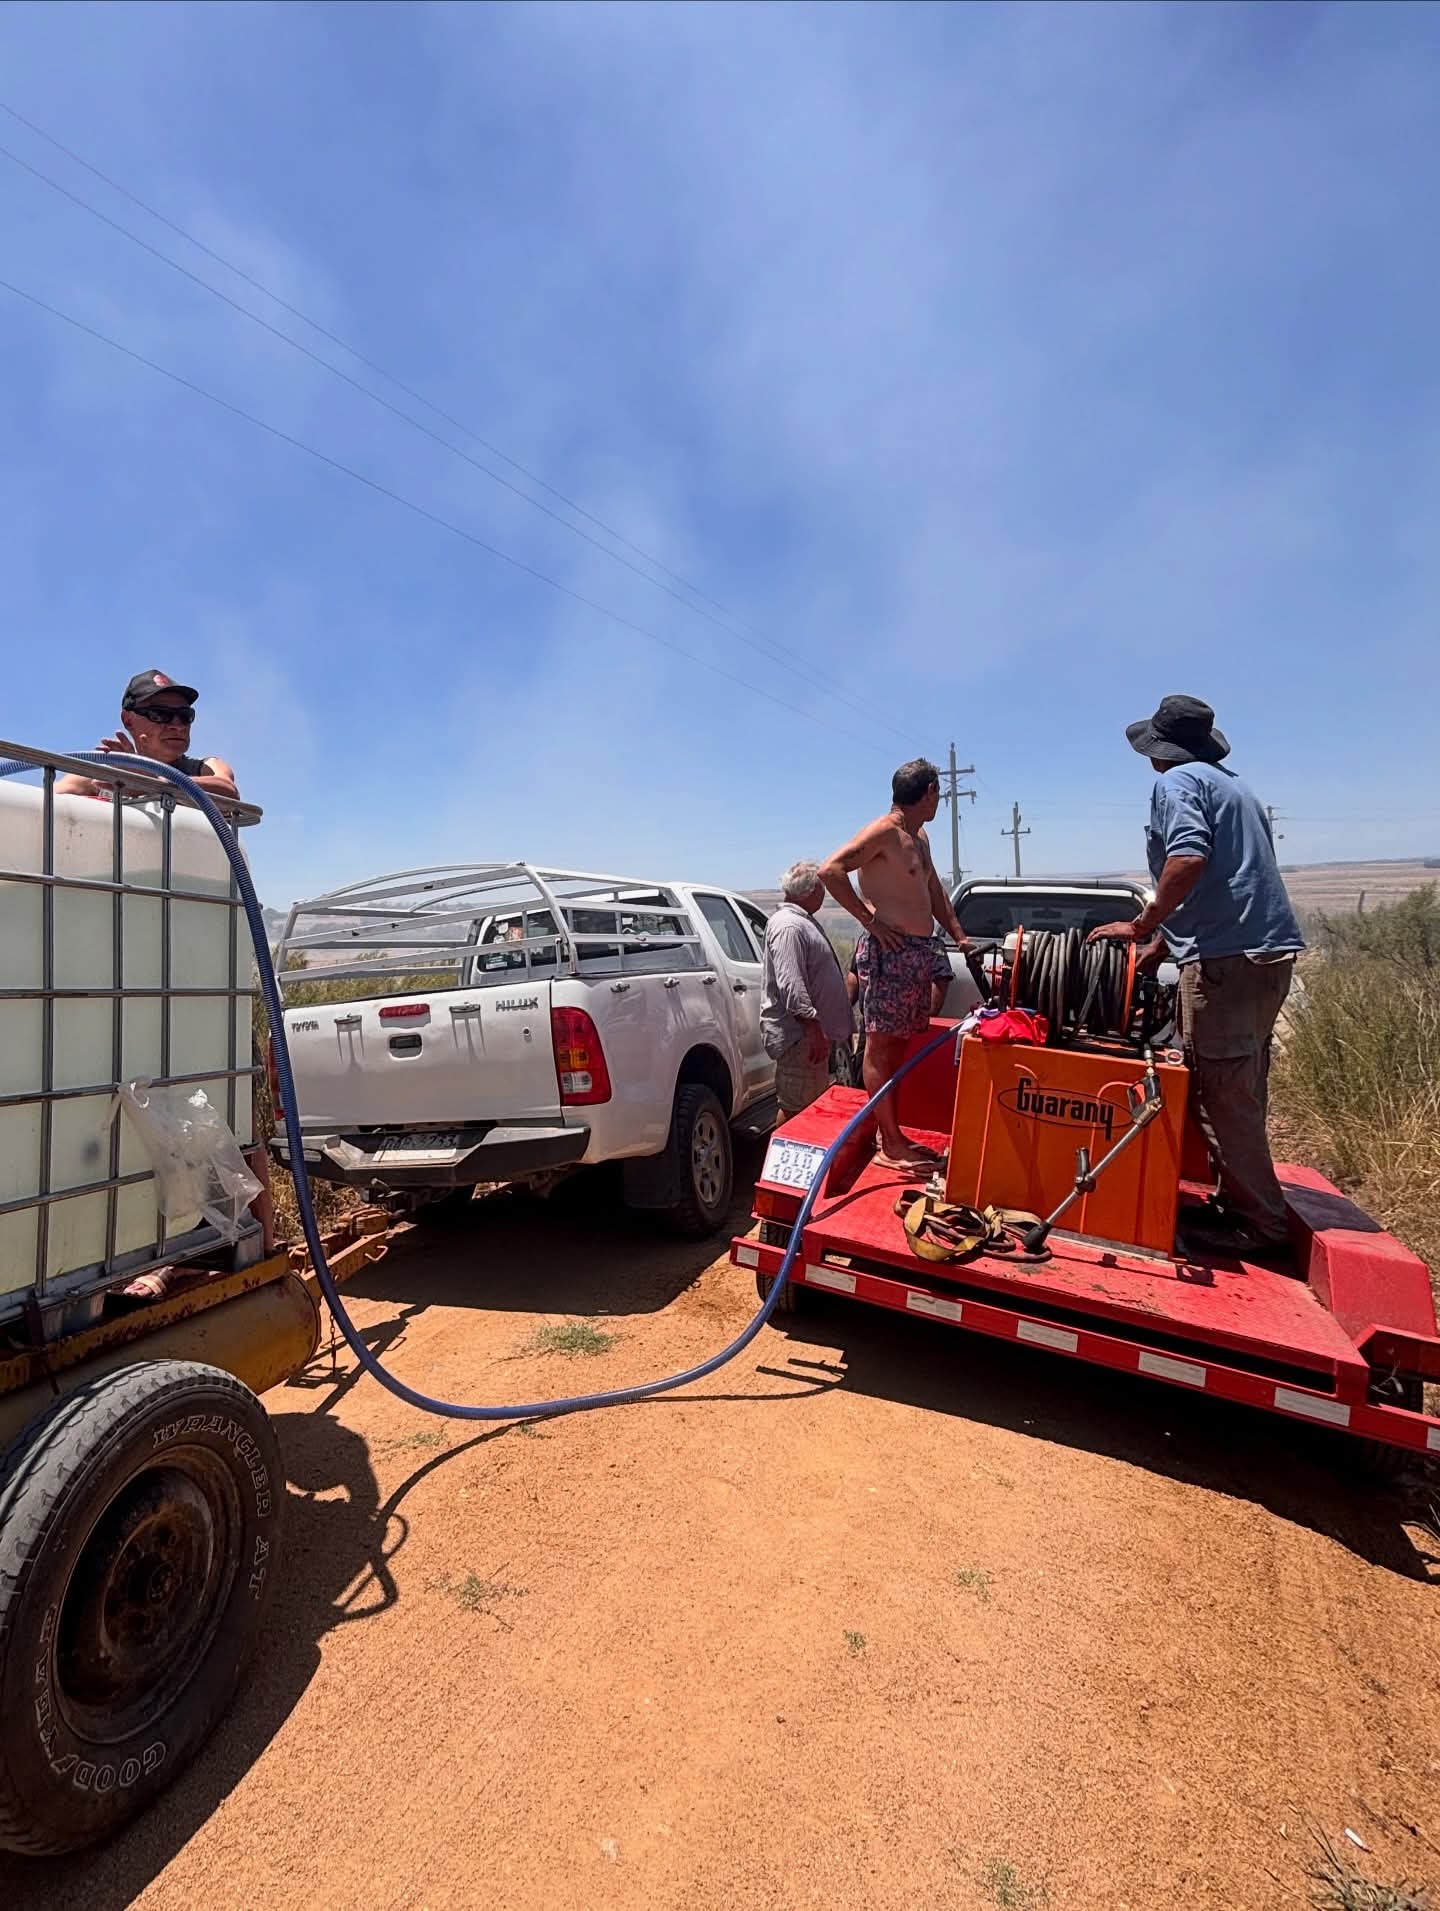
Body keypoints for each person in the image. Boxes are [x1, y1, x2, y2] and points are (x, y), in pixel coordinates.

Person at [1088, 696, 1304, 1261]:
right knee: (1241, 1087)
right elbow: (1224, 883)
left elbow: (1187, 861)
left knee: (1218, 1094)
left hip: (1227, 962)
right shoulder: (1233, 787)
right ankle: (1240, 1202)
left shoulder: (1176, 783)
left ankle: (1260, 1226)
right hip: (1263, 953)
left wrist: (1141, 924)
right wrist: (1161, 946)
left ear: (1159, 751)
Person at [820, 758, 972, 1173]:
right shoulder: (884, 831)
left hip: (917, 953)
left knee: (900, 1046)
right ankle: (890, 1143)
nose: (939, 801)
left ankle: (893, 1136)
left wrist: (959, 936)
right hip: (889, 954)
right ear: (929, 792)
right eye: (938, 793)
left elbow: (935, 891)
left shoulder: (918, 837)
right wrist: (869, 921)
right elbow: (830, 871)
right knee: (880, 1046)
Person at [760, 862, 855, 1120]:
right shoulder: (789, 926)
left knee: (807, 1103)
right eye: (822, 889)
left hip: (809, 1036)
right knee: (797, 1109)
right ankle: (784, 1148)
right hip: (801, 1036)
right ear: (811, 891)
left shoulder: (798, 922)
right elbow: (791, 983)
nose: (824, 894)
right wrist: (813, 1028)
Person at [56, 670, 239, 801]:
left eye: (185, 716)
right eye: (160, 714)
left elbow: (229, 792)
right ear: (128, 720)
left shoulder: (206, 767)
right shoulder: (103, 774)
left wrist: (152, 784)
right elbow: (47, 802)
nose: (177, 726)